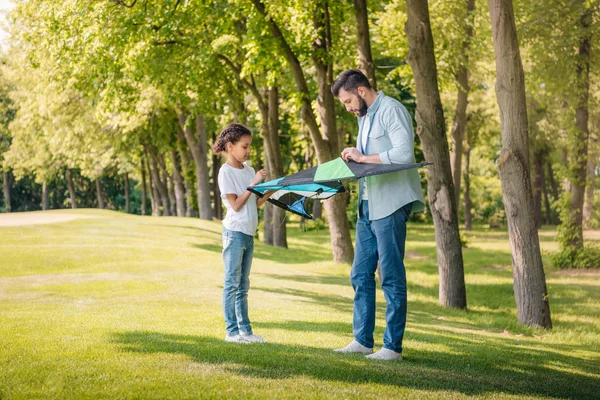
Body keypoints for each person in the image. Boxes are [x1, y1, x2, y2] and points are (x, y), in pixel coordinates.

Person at [331, 69, 425, 360]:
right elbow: (367, 157)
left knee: (391, 277)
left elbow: (403, 154)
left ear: (360, 91)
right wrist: (353, 154)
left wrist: (362, 157)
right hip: (368, 205)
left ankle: (392, 347)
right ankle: (362, 340)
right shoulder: (366, 117)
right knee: (360, 274)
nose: (347, 108)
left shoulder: (392, 110)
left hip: (391, 204)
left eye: (347, 101)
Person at [212, 123, 273, 344]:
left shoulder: (248, 170)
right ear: (230, 146)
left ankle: (245, 331)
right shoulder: (225, 172)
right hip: (234, 233)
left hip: (248, 233)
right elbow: (236, 205)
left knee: (243, 284)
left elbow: (253, 204)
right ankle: (232, 332)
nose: (248, 151)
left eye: (249, 146)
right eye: (244, 146)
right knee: (232, 283)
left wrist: (268, 192)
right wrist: (254, 183)